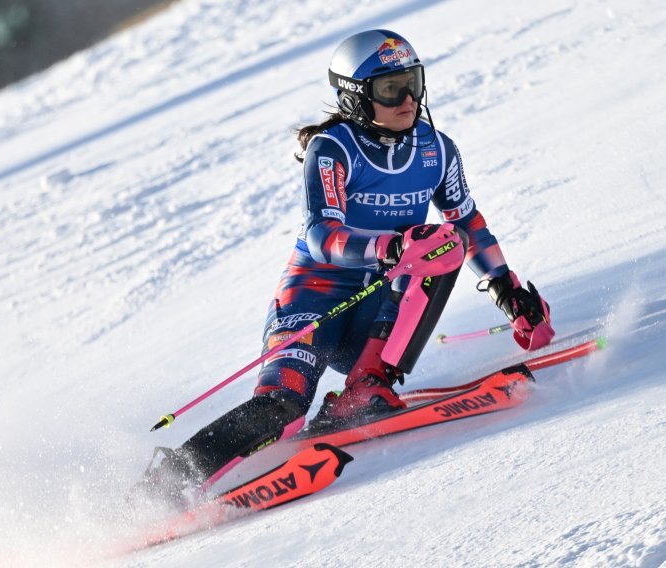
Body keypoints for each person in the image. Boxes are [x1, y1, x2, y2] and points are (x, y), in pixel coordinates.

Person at [143, 29, 554, 501]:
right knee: (282, 407)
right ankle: (166, 485)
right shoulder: (333, 148)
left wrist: (508, 290)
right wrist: (390, 247)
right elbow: (323, 237)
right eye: (388, 89)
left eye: (413, 83)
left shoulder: (436, 149)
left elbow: (468, 223)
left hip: (381, 309)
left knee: (444, 244)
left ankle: (368, 384)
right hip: (314, 297)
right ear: (356, 97)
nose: (407, 99)